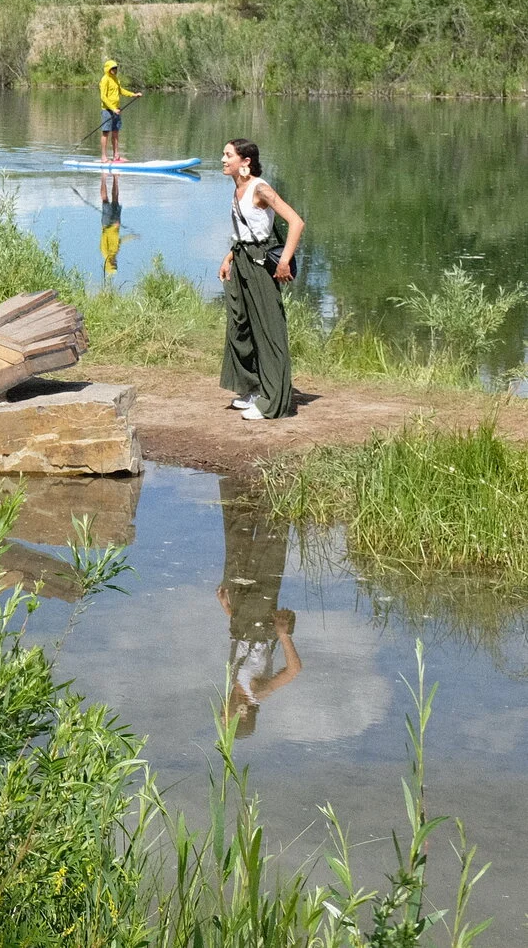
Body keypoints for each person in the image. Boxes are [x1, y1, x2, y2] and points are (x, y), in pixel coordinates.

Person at [219, 138, 304, 422]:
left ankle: (274, 402)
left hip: (259, 264)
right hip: (242, 260)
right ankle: (253, 388)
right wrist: (229, 257)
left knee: (268, 330)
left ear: (245, 162)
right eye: (224, 154)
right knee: (241, 326)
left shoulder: (261, 189)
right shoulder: (237, 188)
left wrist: (283, 261)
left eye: (228, 155)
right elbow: (246, 232)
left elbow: (296, 221)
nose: (223, 159)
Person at [216, 474, 301, 737]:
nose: (220, 714)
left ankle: (240, 482)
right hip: (259, 613)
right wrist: (283, 635)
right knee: (268, 549)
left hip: (241, 616)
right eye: (224, 720)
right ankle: (277, 486)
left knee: (237, 548)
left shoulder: (235, 687)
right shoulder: (256, 692)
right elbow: (294, 670)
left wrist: (229, 611)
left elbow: (240, 647)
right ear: (242, 715)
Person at [97, 56, 141, 162]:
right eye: (113, 68)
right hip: (107, 110)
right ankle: (104, 157)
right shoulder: (105, 80)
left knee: (116, 132)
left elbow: (120, 90)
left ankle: (116, 156)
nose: (115, 70)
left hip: (116, 109)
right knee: (106, 133)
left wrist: (133, 95)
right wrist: (112, 108)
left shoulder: (115, 78)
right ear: (108, 69)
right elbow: (103, 97)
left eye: (116, 68)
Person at [98, 174, 124, 279]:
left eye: (113, 265)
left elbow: (104, 235)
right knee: (116, 199)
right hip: (116, 224)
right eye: (116, 265)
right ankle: (115, 178)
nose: (115, 263)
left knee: (105, 200)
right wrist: (133, 237)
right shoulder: (115, 252)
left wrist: (112, 226)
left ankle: (103, 178)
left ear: (109, 265)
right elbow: (120, 241)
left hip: (107, 223)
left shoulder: (105, 252)